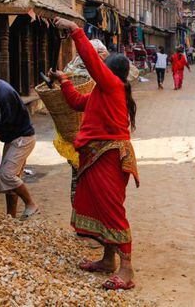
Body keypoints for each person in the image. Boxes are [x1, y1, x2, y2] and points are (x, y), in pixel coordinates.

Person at [51, 17, 140, 290]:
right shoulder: (104, 91)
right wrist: (64, 80)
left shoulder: (111, 86)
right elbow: (77, 102)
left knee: (112, 209)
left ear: (107, 71)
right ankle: (108, 259)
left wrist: (76, 31)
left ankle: (126, 270)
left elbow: (91, 62)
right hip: (98, 156)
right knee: (100, 207)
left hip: (109, 155)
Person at [60, 39, 110, 205]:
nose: (105, 54)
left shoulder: (70, 70)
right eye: (102, 52)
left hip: (73, 135)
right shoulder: (96, 74)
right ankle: (85, 212)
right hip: (90, 136)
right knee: (89, 177)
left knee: (78, 177)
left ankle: (80, 211)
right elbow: (78, 102)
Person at [0, 72, 38, 220]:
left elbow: (4, 125)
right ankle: (11, 218)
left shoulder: (3, 94)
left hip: (22, 138)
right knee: (11, 180)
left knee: (6, 175)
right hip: (14, 138)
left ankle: (30, 203)